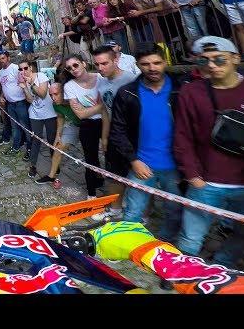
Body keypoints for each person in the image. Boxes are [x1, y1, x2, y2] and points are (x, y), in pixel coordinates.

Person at [174, 36, 244, 273]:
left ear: (236, 58)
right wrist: (192, 175)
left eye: (219, 58)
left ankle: (223, 267)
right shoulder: (191, 91)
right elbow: (182, 136)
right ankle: (181, 272)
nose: (212, 65)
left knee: (241, 234)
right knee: (191, 234)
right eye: (204, 60)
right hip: (205, 181)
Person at [108, 43, 185, 242]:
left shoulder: (181, 90)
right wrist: (133, 160)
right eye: (146, 64)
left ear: (165, 62)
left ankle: (165, 245)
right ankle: (128, 243)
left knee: (174, 212)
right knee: (133, 210)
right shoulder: (127, 93)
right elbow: (117, 131)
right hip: (141, 164)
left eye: (157, 62)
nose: (152, 68)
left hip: (174, 166)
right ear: (138, 65)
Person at [89, 46, 137, 221]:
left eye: (104, 63)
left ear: (116, 60)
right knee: (113, 175)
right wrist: (105, 136)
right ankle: (116, 210)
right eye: (97, 64)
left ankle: (141, 215)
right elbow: (105, 111)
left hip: (132, 137)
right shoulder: (101, 81)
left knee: (136, 177)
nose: (100, 68)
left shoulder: (131, 80)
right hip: (114, 136)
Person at [62, 54, 104, 199]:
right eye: (69, 68)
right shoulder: (69, 86)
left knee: (113, 157)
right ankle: (91, 194)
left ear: (84, 64)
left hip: (107, 122)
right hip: (88, 125)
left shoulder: (100, 78)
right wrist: (102, 106)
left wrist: (91, 110)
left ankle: (117, 190)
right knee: (90, 160)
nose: (73, 69)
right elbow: (80, 114)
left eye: (76, 65)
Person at [34, 82, 81, 188]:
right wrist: (58, 137)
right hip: (74, 125)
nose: (53, 98)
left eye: (56, 94)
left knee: (91, 153)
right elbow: (60, 117)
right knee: (58, 148)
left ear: (64, 92)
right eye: (51, 95)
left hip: (88, 125)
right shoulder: (55, 104)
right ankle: (51, 176)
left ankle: (99, 174)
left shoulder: (73, 99)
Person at [19, 59, 58, 178]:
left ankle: (55, 165)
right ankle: (33, 165)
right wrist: (25, 87)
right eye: (20, 69)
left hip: (50, 113)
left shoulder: (41, 76)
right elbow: (31, 100)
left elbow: (42, 93)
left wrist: (31, 83)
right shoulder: (25, 81)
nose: (23, 71)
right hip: (35, 114)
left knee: (52, 140)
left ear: (31, 67)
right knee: (36, 139)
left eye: (25, 68)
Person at [0, 51, 32, 157]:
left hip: (20, 102)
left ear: (8, 58)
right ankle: (16, 147)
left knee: (26, 127)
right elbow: (4, 86)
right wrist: (2, 96)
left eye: (3, 58)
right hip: (10, 104)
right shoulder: (1, 72)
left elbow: (24, 81)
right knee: (15, 127)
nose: (1, 61)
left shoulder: (16, 68)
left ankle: (30, 149)